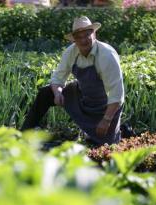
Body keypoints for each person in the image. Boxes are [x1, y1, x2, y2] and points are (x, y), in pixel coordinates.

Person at [21, 16, 124, 146]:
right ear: (74, 39)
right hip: (82, 97)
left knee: (105, 144)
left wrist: (107, 120)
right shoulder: (71, 52)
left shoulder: (107, 55)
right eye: (79, 37)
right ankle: (24, 134)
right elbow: (58, 78)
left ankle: (122, 128)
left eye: (87, 35)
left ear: (94, 33)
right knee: (46, 93)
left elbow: (116, 94)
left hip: (105, 107)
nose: (83, 40)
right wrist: (58, 92)